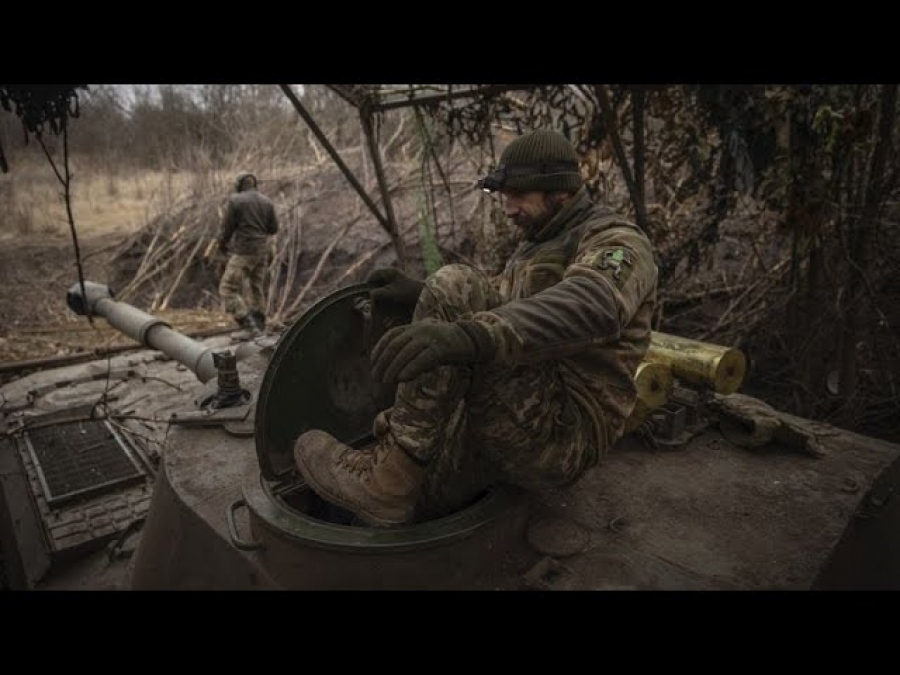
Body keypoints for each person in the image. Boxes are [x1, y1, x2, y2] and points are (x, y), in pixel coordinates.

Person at [293, 129, 659, 527]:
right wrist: (418, 294)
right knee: (420, 498)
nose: (508, 208)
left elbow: (594, 303)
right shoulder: (537, 245)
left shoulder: (615, 240)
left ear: (559, 190)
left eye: (518, 194)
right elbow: (502, 300)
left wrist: (467, 333)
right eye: (503, 196)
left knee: (455, 282)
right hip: (520, 411)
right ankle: (395, 475)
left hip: (564, 432)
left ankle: (387, 482)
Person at [217, 171, 279, 340]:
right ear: (254, 184)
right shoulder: (267, 201)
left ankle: (249, 326)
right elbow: (273, 229)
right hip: (263, 250)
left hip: (245, 250)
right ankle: (260, 326)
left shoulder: (235, 200)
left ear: (239, 185)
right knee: (256, 287)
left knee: (227, 288)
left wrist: (222, 245)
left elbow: (227, 228)